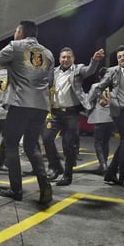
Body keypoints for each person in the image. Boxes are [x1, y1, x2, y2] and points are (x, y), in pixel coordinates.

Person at [0, 20, 55, 204]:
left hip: (20, 104)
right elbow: (50, 81)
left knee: (10, 144)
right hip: (40, 106)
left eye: (16, 30)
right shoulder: (48, 53)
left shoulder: (16, 47)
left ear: (21, 32)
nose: (15, 33)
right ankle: (45, 186)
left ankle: (16, 189)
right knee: (32, 146)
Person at [43, 47, 105, 186]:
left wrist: (95, 60)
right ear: (59, 59)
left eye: (68, 57)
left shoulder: (78, 70)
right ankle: (55, 166)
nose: (66, 59)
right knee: (47, 138)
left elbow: (89, 70)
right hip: (54, 113)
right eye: (63, 57)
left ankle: (67, 174)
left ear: (73, 59)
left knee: (69, 145)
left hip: (71, 113)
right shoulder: (53, 72)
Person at [88, 45, 124, 190]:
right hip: (119, 110)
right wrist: (103, 98)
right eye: (119, 57)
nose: (121, 59)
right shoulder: (112, 71)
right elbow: (98, 87)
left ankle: (110, 173)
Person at [87, 67, 115, 174]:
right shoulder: (114, 87)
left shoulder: (96, 86)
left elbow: (89, 100)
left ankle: (102, 165)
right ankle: (105, 164)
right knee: (106, 142)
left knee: (98, 142)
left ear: (99, 77)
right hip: (111, 118)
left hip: (99, 118)